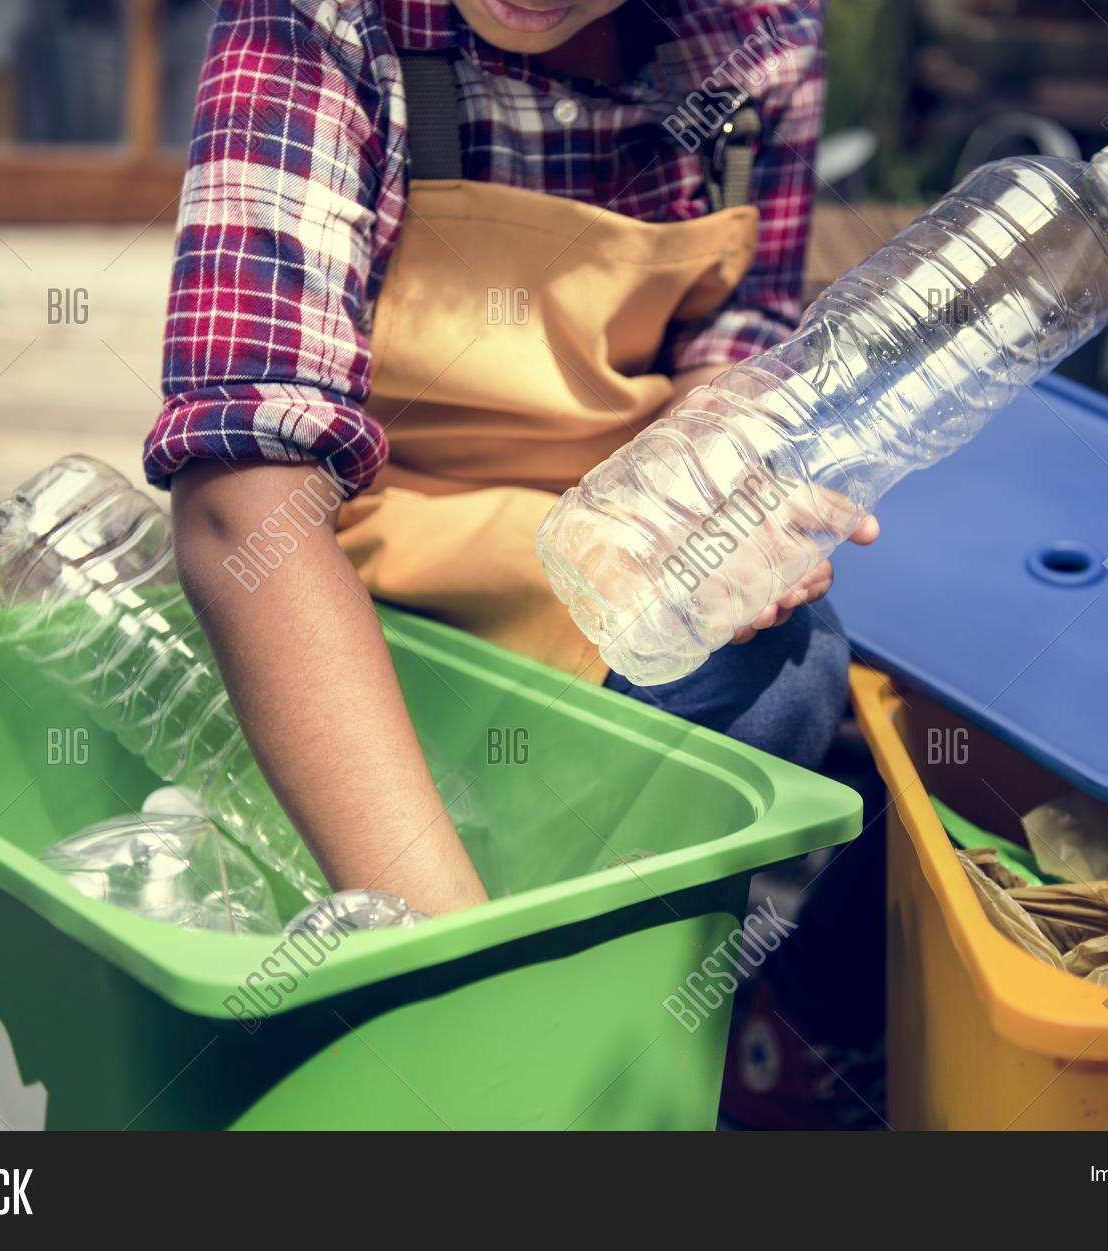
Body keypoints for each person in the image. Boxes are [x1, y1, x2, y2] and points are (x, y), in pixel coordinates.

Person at [148, 0, 876, 916]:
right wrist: (444, 948)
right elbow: (240, 507)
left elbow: (732, 334)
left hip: (607, 544)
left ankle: (596, 953)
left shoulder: (759, 33)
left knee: (788, 668)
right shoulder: (324, 19)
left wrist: (717, 485)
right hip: (358, 553)